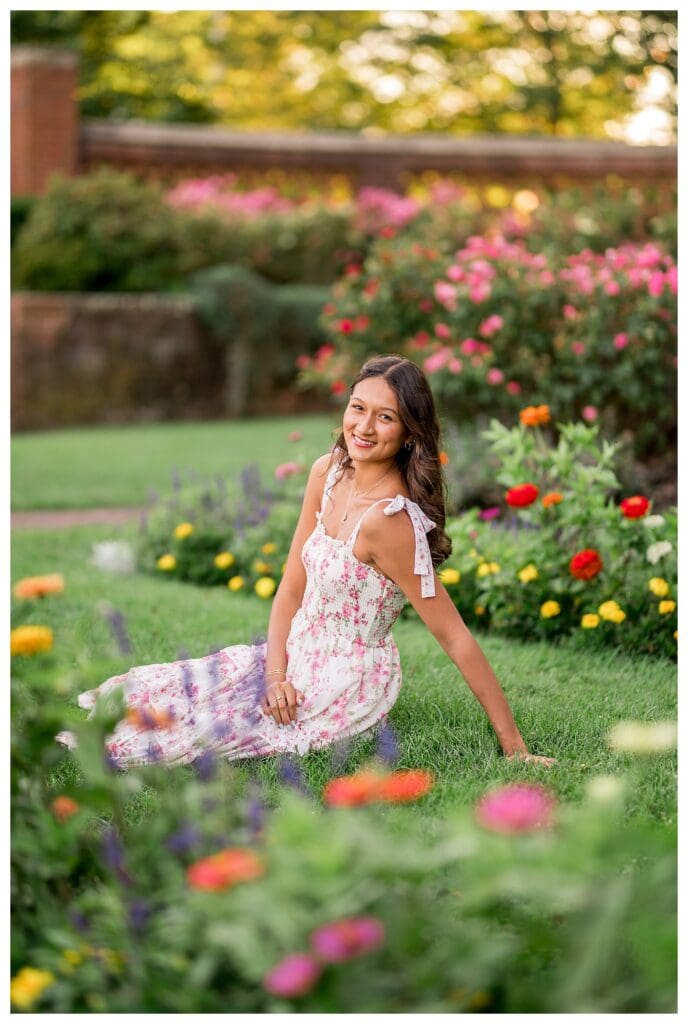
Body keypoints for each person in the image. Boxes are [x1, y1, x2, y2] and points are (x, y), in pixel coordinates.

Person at [57, 355, 555, 769]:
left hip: (348, 679)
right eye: (357, 408)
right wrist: (276, 674)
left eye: (384, 416)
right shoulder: (327, 472)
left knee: (204, 732)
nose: (363, 426)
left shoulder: (391, 523)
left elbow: (454, 636)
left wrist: (514, 746)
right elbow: (291, 589)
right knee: (168, 689)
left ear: (408, 432)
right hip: (295, 651)